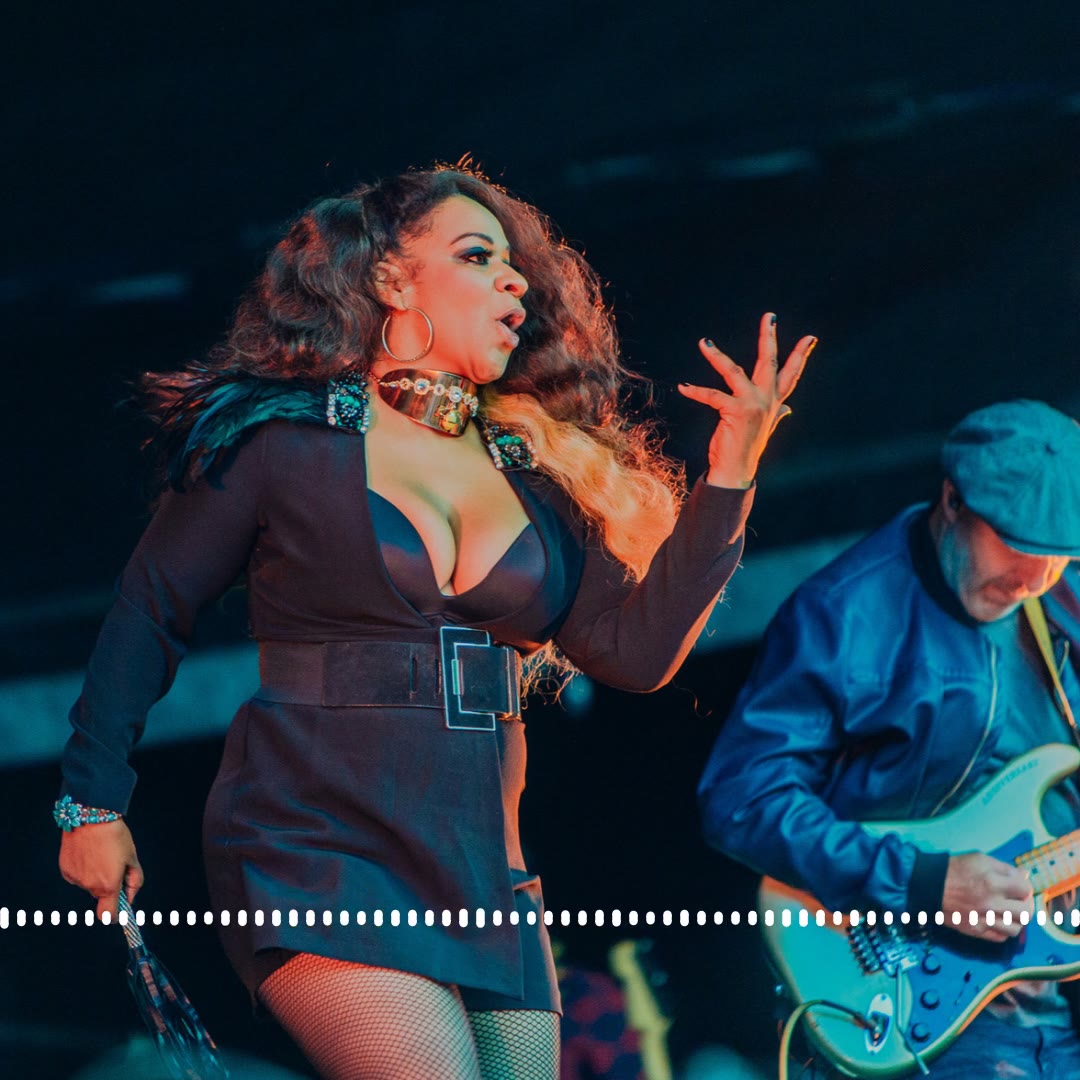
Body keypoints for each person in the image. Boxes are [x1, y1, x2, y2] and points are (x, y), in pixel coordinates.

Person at [55, 165, 815, 1080]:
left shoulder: (537, 478)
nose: (514, 281)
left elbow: (634, 654)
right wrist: (92, 801)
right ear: (390, 278)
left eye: (514, 267)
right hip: (315, 842)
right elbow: (150, 607)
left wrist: (730, 475)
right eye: (477, 255)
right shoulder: (284, 449)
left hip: (484, 869)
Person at [698, 399, 1080, 1078]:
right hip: (915, 1000)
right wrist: (921, 881)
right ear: (953, 501)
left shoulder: (1063, 603)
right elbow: (741, 798)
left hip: (1054, 988)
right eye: (1016, 544)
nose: (1033, 577)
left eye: (1056, 554)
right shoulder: (843, 612)